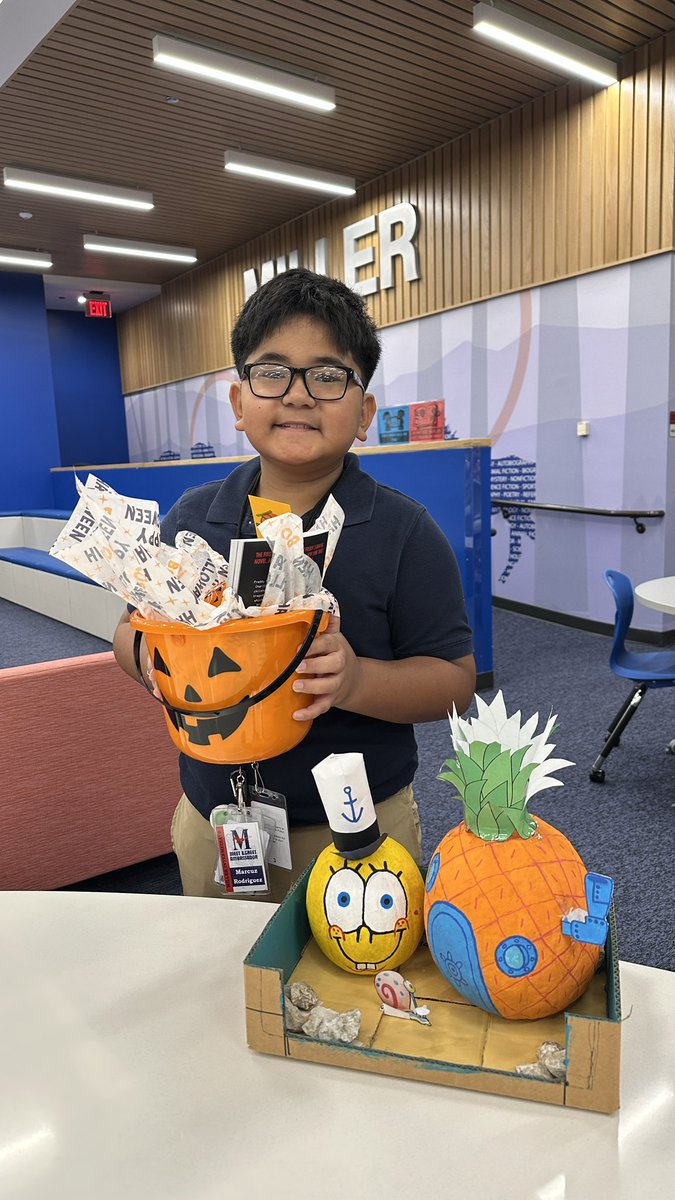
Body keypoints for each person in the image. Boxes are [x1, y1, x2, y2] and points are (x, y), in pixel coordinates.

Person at [113, 268, 476, 901]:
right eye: (272, 371)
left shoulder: (403, 533)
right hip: (217, 820)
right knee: (220, 979)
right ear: (238, 403)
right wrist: (150, 658)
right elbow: (127, 632)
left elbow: (454, 685)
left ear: (364, 413)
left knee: (364, 988)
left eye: (328, 375)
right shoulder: (194, 519)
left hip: (359, 833)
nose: (299, 394)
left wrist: (358, 680)